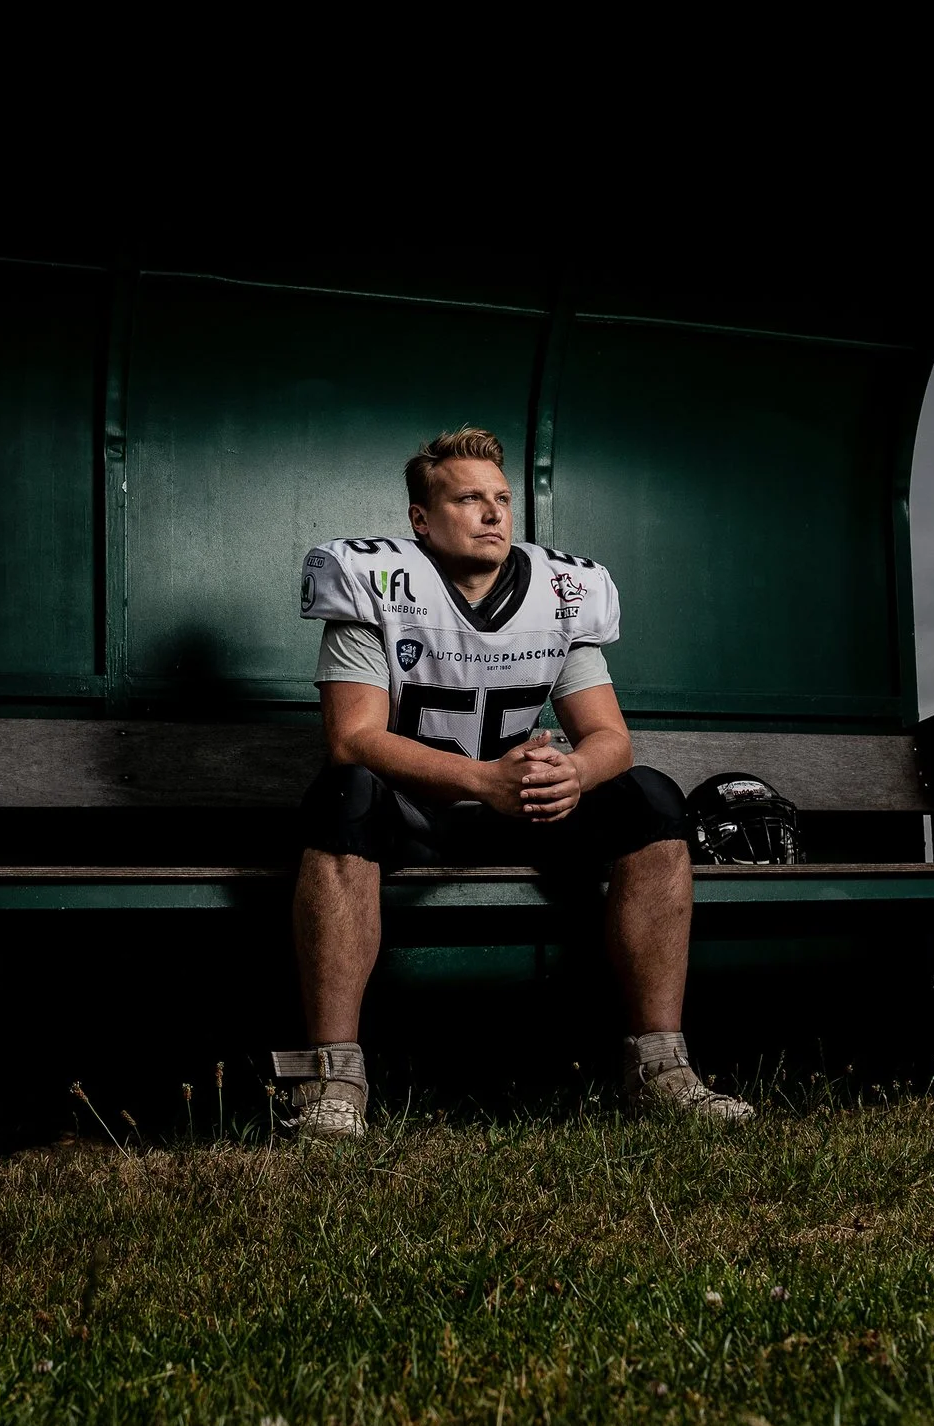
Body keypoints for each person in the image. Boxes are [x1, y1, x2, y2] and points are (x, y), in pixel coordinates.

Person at [277, 425, 756, 1137]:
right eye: (468, 499)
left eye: (501, 499)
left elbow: (611, 738)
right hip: (413, 812)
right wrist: (480, 779)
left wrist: (574, 771)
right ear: (421, 519)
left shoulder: (560, 592)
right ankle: (331, 1080)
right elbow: (353, 737)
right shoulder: (377, 582)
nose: (493, 513)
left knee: (650, 797)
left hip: (522, 809)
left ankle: (662, 1068)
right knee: (343, 792)